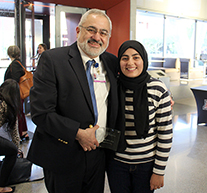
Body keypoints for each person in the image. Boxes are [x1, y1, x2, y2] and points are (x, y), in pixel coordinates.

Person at [27, 9, 118, 193]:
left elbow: (134, 81)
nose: (97, 37)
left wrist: (163, 94)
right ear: (78, 31)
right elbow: (41, 112)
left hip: (99, 153)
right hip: (63, 154)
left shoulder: (111, 62)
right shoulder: (53, 60)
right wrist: (77, 133)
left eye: (103, 32)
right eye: (91, 30)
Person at [106, 40, 173, 193]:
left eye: (136, 57)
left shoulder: (157, 88)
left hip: (146, 165)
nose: (130, 63)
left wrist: (159, 171)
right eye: (125, 58)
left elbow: (165, 133)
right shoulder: (112, 86)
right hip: (116, 164)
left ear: (144, 59)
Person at [4, 45, 29, 142]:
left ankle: (18, 134)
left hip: (15, 93)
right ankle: (23, 132)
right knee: (20, 112)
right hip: (18, 93)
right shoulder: (18, 63)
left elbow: (14, 80)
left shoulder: (14, 65)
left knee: (16, 113)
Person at [0, 79, 21, 193]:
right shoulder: (7, 105)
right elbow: (14, 133)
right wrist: (17, 148)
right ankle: (1, 186)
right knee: (12, 151)